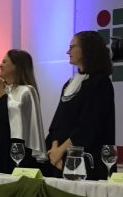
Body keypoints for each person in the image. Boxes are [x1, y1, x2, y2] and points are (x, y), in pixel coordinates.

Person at [45, 30, 115, 179]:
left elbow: (89, 126)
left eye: (72, 47)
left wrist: (60, 152)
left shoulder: (100, 83)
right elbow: (57, 122)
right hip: (60, 160)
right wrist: (55, 151)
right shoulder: (69, 84)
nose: (67, 52)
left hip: (87, 162)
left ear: (87, 49)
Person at [0, 51, 44, 173]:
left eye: (5, 62)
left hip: (13, 152)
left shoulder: (26, 91)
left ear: (17, 66)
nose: (0, 65)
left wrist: (1, 92)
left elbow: (10, 117)